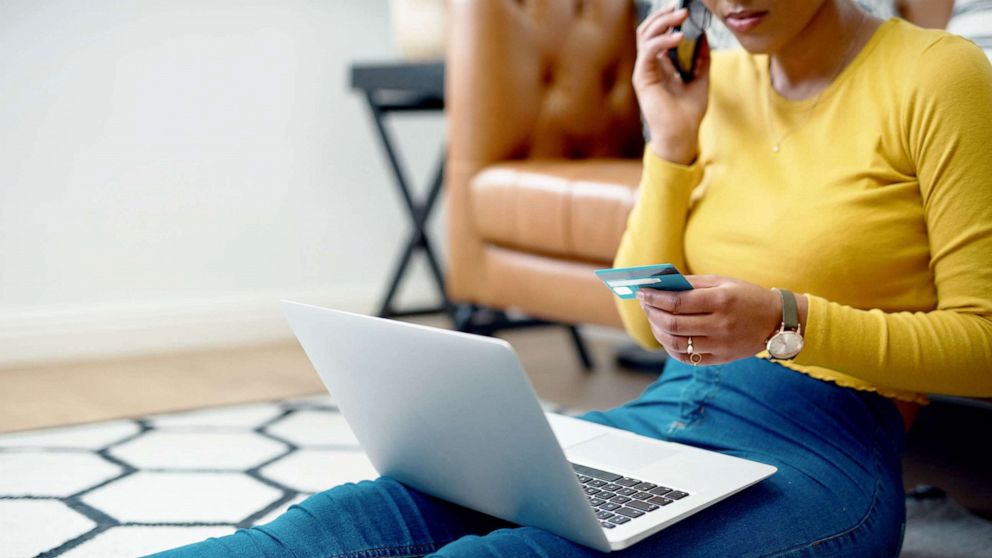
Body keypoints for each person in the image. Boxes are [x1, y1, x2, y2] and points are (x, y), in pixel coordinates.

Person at [152, 0, 992, 556]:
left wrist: (788, 320)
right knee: (350, 522)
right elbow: (638, 325)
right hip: (657, 417)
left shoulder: (935, 75)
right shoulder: (714, 81)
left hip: (818, 453)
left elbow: (985, 346)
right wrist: (669, 144)